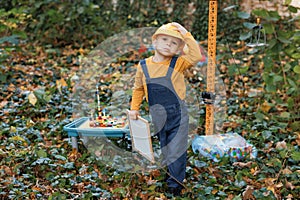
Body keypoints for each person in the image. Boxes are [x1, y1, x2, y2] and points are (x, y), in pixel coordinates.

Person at [128, 22, 202, 196]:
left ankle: (174, 185)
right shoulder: (144, 65)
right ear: (155, 42)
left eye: (174, 42)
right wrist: (134, 108)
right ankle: (171, 174)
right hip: (158, 115)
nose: (169, 44)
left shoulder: (178, 64)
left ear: (178, 48)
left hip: (178, 114)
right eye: (165, 39)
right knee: (166, 147)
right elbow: (138, 88)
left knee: (177, 148)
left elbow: (196, 55)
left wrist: (186, 34)